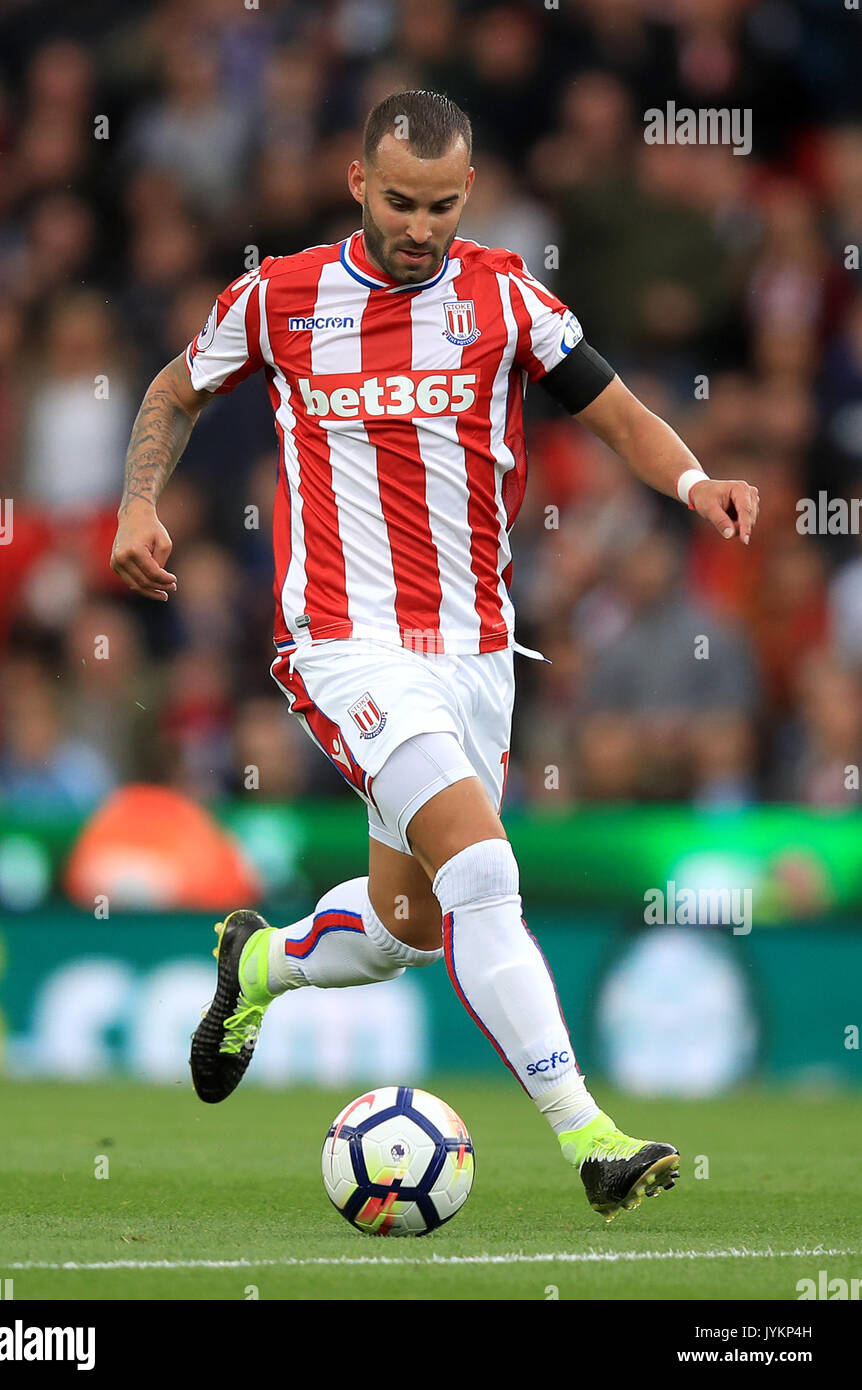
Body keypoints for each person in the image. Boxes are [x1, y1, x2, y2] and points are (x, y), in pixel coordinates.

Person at [110, 90, 760, 1222]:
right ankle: (590, 1136)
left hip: (476, 651)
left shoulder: (504, 295)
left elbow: (613, 413)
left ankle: (257, 964)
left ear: (469, 195)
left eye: (443, 206)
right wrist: (136, 505)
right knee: (484, 866)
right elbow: (175, 388)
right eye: (402, 202)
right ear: (357, 182)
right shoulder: (280, 298)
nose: (421, 227)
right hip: (345, 644)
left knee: (411, 926)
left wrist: (697, 481)